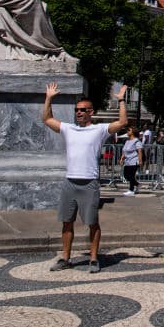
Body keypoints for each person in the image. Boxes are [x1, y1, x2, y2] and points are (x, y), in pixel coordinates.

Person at [42, 82, 128, 273]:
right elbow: (47, 119)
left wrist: (121, 100)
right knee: (66, 221)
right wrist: (49, 98)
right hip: (70, 182)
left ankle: (94, 258)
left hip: (89, 183)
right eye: (77, 110)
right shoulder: (68, 129)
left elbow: (122, 123)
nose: (78, 113)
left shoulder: (99, 130)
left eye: (82, 110)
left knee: (92, 222)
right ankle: (65, 257)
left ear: (91, 112)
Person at [121, 127, 144, 196]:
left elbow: (140, 151)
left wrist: (140, 161)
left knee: (131, 176)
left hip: (134, 161)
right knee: (126, 176)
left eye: (129, 130)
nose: (127, 131)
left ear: (133, 132)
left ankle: (131, 190)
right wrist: (122, 158)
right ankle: (138, 184)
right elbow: (124, 151)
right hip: (127, 161)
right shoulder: (127, 141)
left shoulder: (137, 141)